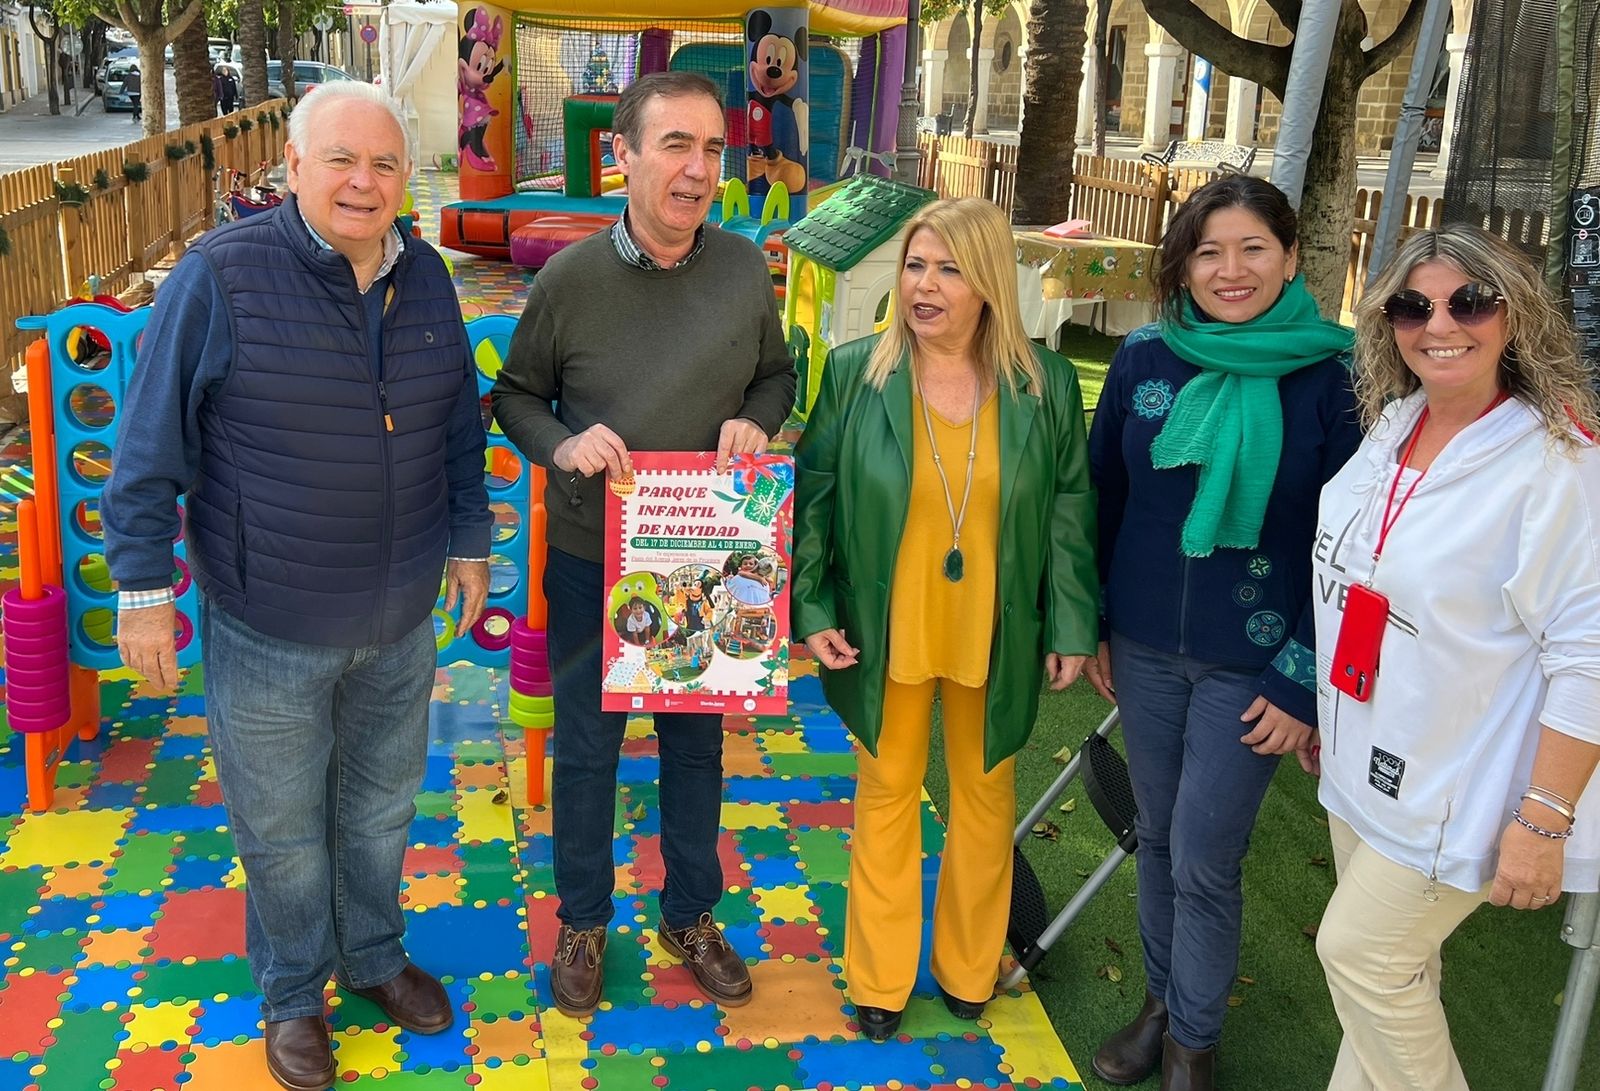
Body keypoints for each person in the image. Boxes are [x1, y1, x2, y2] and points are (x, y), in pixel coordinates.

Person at [101, 82, 491, 1091]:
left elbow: (456, 424)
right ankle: (291, 992)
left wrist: (469, 541)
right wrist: (143, 588)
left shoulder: (429, 279)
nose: (365, 181)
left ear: (407, 178)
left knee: (376, 813)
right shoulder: (221, 276)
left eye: (386, 165)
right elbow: (149, 446)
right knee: (281, 833)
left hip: (401, 618)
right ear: (292, 162)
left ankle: (371, 956)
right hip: (268, 622)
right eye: (342, 160)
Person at [491, 71, 795, 1018]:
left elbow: (779, 377)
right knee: (587, 751)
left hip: (706, 563)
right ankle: (583, 920)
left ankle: (690, 915)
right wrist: (564, 443)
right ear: (620, 155)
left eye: (713, 149)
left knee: (697, 752)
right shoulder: (570, 280)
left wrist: (756, 421)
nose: (699, 169)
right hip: (595, 562)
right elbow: (513, 396)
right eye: (676, 145)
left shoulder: (746, 268)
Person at [791, 197, 1099, 1041]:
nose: (925, 286)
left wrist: (1073, 622)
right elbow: (812, 495)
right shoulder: (859, 372)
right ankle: (880, 982)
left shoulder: (1046, 382)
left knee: (985, 794)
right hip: (883, 628)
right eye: (916, 266)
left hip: (994, 631)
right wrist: (811, 602)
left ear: (990, 281)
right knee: (887, 795)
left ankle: (969, 969)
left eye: (949, 269)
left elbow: (1071, 507)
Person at [1084, 174, 1361, 1090]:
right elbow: (1102, 497)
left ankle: (1193, 1043)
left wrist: (1301, 679)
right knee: (1157, 834)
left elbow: (1359, 548)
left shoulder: (1334, 380)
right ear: (1182, 264)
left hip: (1260, 660)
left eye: (1251, 249)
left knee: (1206, 854)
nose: (1230, 269)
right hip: (1148, 648)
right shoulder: (1145, 361)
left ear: (1288, 256)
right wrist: (1099, 626)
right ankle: (1162, 1006)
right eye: (1208, 251)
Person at [1310, 225, 1600, 1091]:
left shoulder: (1557, 463)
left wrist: (1544, 821)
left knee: (1360, 958)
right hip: (1364, 764)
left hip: (1457, 787)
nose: (1440, 323)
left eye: (1470, 302)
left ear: (1518, 317)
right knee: (1396, 977)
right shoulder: (1396, 422)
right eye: (1412, 304)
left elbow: (1589, 656)